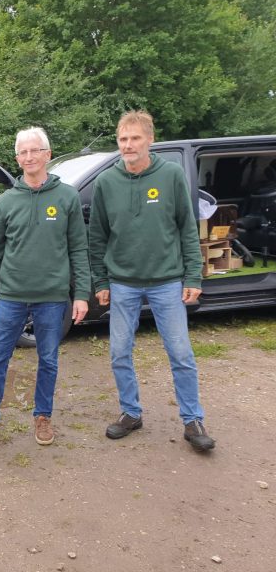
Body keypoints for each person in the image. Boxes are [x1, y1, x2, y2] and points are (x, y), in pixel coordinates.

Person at [89, 110, 216, 452]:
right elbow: (97, 236)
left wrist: (193, 274)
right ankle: (131, 413)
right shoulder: (106, 182)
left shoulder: (171, 175)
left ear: (150, 140)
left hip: (167, 282)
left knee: (180, 353)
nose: (128, 145)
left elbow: (187, 228)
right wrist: (101, 281)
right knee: (119, 352)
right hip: (122, 283)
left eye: (135, 138)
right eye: (122, 139)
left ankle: (192, 420)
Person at [0, 127, 90, 446]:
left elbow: (78, 249)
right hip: (11, 297)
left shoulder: (66, 197)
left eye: (35, 151)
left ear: (47, 154)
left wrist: (82, 294)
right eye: (23, 152)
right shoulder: (7, 202)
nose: (29, 157)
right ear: (17, 159)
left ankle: (43, 417)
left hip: (52, 297)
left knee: (48, 359)